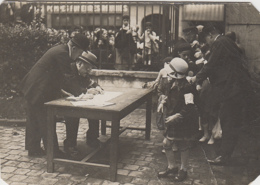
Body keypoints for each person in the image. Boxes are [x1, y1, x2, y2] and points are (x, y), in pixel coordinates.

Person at [19, 33, 99, 157]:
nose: (79, 56)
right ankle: (53, 153)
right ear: (74, 48)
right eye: (80, 53)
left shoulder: (61, 50)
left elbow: (56, 77)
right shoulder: (63, 54)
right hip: (37, 88)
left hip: (35, 86)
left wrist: (63, 92)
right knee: (46, 120)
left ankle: (33, 149)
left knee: (34, 119)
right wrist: (83, 93)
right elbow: (68, 79)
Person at [188, 25, 255, 165]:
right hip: (237, 88)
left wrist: (196, 78)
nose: (207, 43)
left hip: (233, 89)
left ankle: (225, 157)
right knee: (231, 120)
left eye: (207, 39)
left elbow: (211, 64)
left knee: (228, 120)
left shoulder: (219, 42)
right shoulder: (227, 42)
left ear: (211, 35)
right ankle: (228, 154)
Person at [157, 58, 199, 182]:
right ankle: (172, 167)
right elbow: (168, 96)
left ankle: (183, 169)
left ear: (176, 74)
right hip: (172, 118)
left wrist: (178, 116)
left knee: (183, 144)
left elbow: (189, 106)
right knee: (167, 143)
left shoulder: (188, 87)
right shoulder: (171, 83)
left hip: (183, 120)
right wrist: (163, 101)